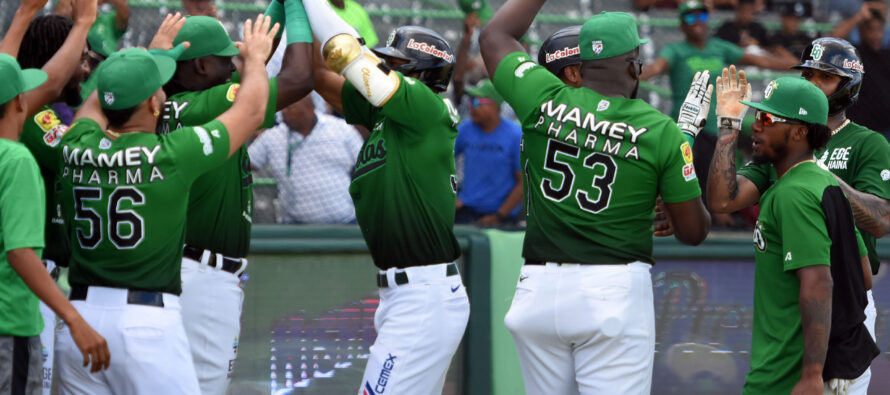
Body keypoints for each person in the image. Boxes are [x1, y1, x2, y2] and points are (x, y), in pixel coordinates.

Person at [23, 14, 279, 395]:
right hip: (145, 322)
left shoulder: (76, 146)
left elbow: (97, 103)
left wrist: (144, 58)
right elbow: (252, 111)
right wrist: (256, 59)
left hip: (81, 319)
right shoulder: (170, 155)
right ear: (151, 102)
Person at [480, 3, 711, 392]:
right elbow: (692, 231)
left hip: (536, 290)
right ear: (633, 66)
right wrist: (685, 136)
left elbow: (495, 36)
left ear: (582, 65)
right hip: (612, 290)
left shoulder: (542, 96)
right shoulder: (661, 130)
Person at [304, 0, 470, 392]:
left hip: (423, 295)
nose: (384, 66)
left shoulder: (428, 109)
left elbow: (345, 54)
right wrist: (297, 14)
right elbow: (316, 73)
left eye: (396, 63)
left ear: (420, 73)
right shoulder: (387, 120)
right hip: (404, 295)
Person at [707, 38, 889, 394]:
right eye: (806, 74)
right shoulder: (781, 143)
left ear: (848, 85)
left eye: (822, 76)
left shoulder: (867, 143)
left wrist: (815, 174)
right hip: (791, 294)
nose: (810, 82)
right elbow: (723, 200)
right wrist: (728, 127)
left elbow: (882, 221)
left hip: (845, 297)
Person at [160, 2, 314, 392]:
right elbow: (298, 79)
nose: (233, 65)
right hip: (203, 277)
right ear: (199, 67)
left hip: (184, 268)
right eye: (224, 59)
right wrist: (300, 8)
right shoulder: (205, 105)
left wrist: (280, 8)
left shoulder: (167, 104)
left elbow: (258, 74)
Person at [0, 0, 109, 392]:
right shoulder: (19, 141)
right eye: (82, 59)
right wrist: (105, 103)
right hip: (20, 298)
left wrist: (24, 15)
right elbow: (20, 252)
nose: (86, 68)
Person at [640, 0, 796, 210]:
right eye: (690, 17)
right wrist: (625, 76)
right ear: (681, 24)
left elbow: (761, 61)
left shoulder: (719, 47)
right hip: (686, 129)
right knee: (683, 185)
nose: (697, 21)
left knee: (717, 185)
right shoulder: (675, 50)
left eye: (702, 16)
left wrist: (800, 67)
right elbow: (655, 68)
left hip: (716, 129)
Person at [248, 96, 363, 224]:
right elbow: (245, 164)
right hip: (295, 227)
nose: (283, 112)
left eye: (289, 108)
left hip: (345, 223)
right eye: (283, 108)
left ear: (309, 108)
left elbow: (364, 165)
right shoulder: (272, 137)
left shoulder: (341, 129)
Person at [454, 79, 522, 227]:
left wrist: (499, 216)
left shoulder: (516, 135)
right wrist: (448, 197)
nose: (471, 107)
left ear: (495, 105)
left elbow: (523, 182)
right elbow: (439, 160)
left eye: (477, 102)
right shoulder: (465, 130)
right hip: (466, 212)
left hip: (502, 218)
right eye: (470, 101)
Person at [833, 3, 890, 137]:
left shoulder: (887, 55)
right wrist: (859, 16)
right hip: (862, 130)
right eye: (871, 30)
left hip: (887, 128)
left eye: (879, 30)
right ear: (861, 31)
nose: (876, 35)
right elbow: (833, 38)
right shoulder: (854, 55)